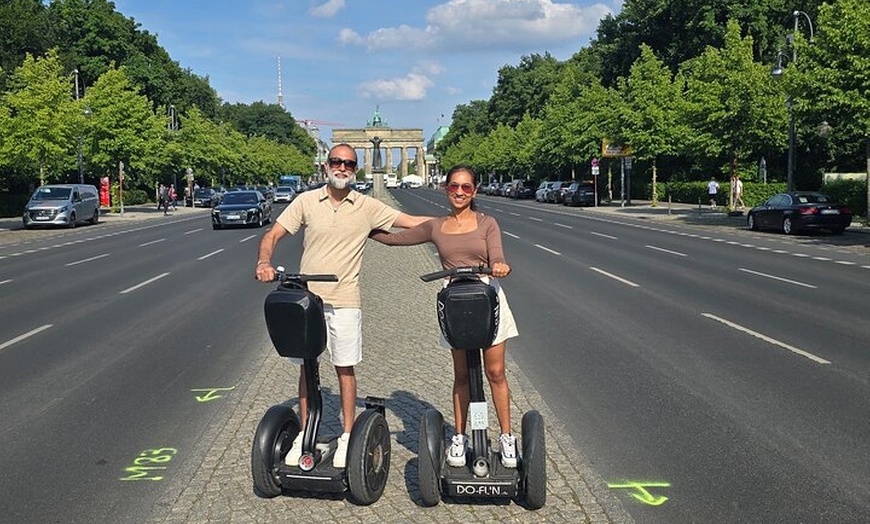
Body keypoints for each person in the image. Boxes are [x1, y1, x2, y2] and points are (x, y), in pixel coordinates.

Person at [254, 143, 429, 468]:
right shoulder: (306, 201)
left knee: (345, 367)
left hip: (345, 299)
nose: (342, 167)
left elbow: (410, 221)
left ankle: (348, 435)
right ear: (326, 166)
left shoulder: (366, 206)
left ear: (355, 169)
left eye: (349, 163)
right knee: (307, 367)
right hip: (307, 299)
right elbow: (274, 234)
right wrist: (265, 261)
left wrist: (459, 221)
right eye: (336, 161)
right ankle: (306, 431)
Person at [369, 164, 520, 469]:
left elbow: (497, 253)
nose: (460, 192)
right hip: (455, 304)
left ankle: (506, 436)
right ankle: (460, 436)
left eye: (466, 187)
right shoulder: (436, 226)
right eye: (454, 186)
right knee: (461, 374)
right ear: (446, 189)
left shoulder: (487, 222)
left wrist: (500, 264)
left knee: (495, 372)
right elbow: (398, 238)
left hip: (486, 298)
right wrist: (365, 229)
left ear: (474, 191)